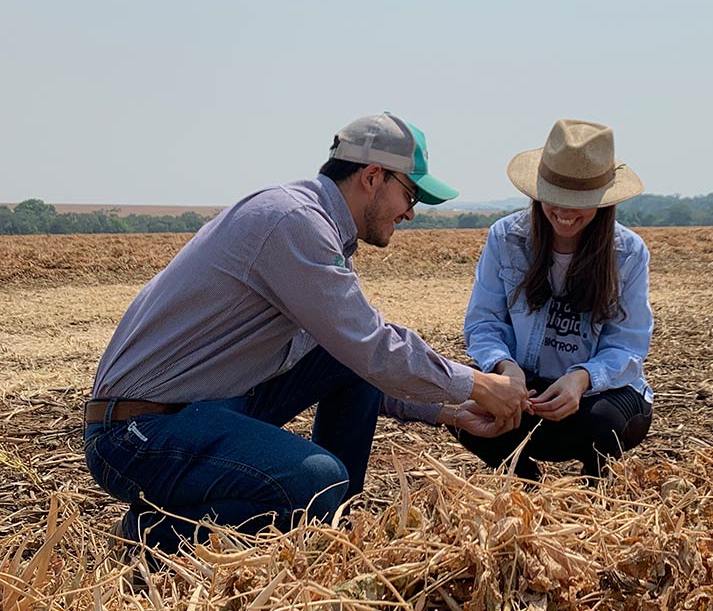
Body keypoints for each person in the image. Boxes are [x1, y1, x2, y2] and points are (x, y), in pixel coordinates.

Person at [84, 112, 527, 552]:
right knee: (318, 481)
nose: (411, 212)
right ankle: (153, 534)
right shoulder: (294, 223)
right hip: (138, 432)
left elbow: (355, 358)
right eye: (410, 194)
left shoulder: (314, 226)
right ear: (373, 177)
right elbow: (375, 347)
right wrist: (478, 383)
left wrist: (448, 412)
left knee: (343, 370)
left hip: (199, 411)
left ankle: (330, 529)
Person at [455, 119, 655, 481]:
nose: (564, 212)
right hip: (526, 390)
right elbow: (484, 323)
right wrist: (505, 370)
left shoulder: (627, 252)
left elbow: (628, 344)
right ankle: (526, 484)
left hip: (594, 396)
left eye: (579, 202)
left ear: (602, 202)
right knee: (462, 406)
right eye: (555, 198)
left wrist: (581, 379)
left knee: (604, 423)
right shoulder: (506, 238)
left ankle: (595, 485)